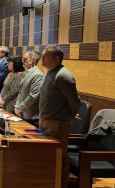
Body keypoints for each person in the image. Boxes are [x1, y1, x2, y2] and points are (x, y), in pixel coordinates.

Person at [39, 45, 81, 188]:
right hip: (45, 121)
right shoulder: (47, 73)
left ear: (57, 58)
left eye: (46, 56)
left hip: (58, 124)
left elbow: (75, 102)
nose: (42, 59)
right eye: (42, 56)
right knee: (49, 156)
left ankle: (61, 184)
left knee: (60, 157)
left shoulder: (63, 76)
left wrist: (69, 115)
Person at [14, 50, 43, 119]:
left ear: (33, 60)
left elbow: (33, 96)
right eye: (22, 59)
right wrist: (17, 107)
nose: (22, 61)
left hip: (30, 115)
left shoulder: (37, 74)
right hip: (21, 111)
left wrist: (19, 107)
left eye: (25, 59)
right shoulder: (28, 72)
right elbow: (20, 92)